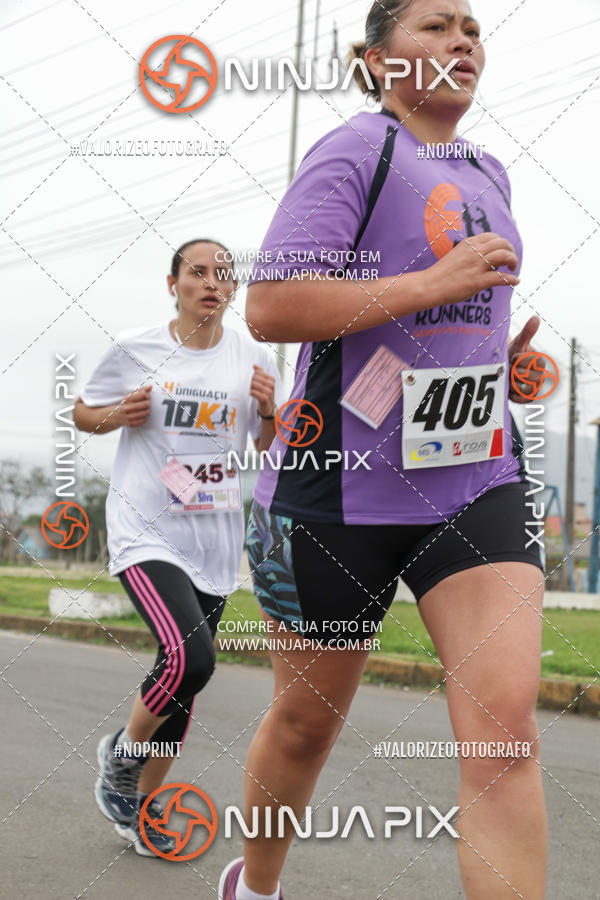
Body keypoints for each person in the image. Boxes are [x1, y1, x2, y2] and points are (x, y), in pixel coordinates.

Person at [219, 1, 547, 898]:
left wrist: (497, 362)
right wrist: (430, 284)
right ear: (376, 60)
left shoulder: (491, 171)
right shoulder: (356, 151)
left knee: (504, 731)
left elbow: (452, 317)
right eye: (436, 26)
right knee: (303, 726)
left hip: (473, 476)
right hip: (338, 490)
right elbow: (274, 305)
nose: (463, 42)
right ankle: (255, 886)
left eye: (472, 29)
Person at [74, 238, 281, 856]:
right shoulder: (139, 347)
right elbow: (84, 413)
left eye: (224, 274)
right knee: (191, 660)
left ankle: (142, 811)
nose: (212, 282)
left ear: (234, 290)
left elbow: (267, 451)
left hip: (212, 536)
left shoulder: (254, 359)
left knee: (183, 687)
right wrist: (119, 415)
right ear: (174, 284)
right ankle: (122, 760)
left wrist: (269, 414)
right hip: (146, 527)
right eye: (198, 272)